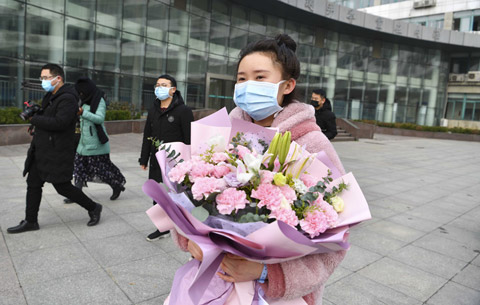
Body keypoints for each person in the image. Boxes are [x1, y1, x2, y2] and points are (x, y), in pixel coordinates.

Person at [171, 34, 347, 305]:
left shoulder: (311, 143)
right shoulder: (220, 134)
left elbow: (334, 240)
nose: (247, 85)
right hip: (213, 278)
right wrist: (189, 240)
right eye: (241, 78)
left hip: (277, 296)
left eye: (260, 77)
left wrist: (266, 271)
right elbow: (187, 198)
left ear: (287, 85)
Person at [7, 64, 102, 234]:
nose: (43, 81)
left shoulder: (68, 98)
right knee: (33, 183)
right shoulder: (52, 96)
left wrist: (35, 118)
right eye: (41, 78)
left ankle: (93, 207)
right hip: (41, 149)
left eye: (45, 78)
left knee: (62, 187)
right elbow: (49, 118)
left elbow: (60, 123)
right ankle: (30, 221)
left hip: (57, 151)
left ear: (58, 78)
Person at [139, 74, 194, 241]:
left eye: (163, 84)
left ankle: (185, 225)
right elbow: (148, 135)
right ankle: (161, 228)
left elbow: (189, 138)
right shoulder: (153, 110)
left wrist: (190, 162)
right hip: (157, 161)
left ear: (173, 89)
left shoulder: (183, 111)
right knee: (158, 195)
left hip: (176, 162)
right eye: (157, 84)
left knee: (179, 195)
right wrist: (144, 158)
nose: (159, 87)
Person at [63, 77, 126, 204]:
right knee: (79, 169)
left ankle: (116, 185)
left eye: (81, 92)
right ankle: (76, 195)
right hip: (83, 142)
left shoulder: (99, 100)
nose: (80, 94)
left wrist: (82, 113)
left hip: (96, 143)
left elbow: (99, 118)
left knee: (101, 170)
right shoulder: (83, 101)